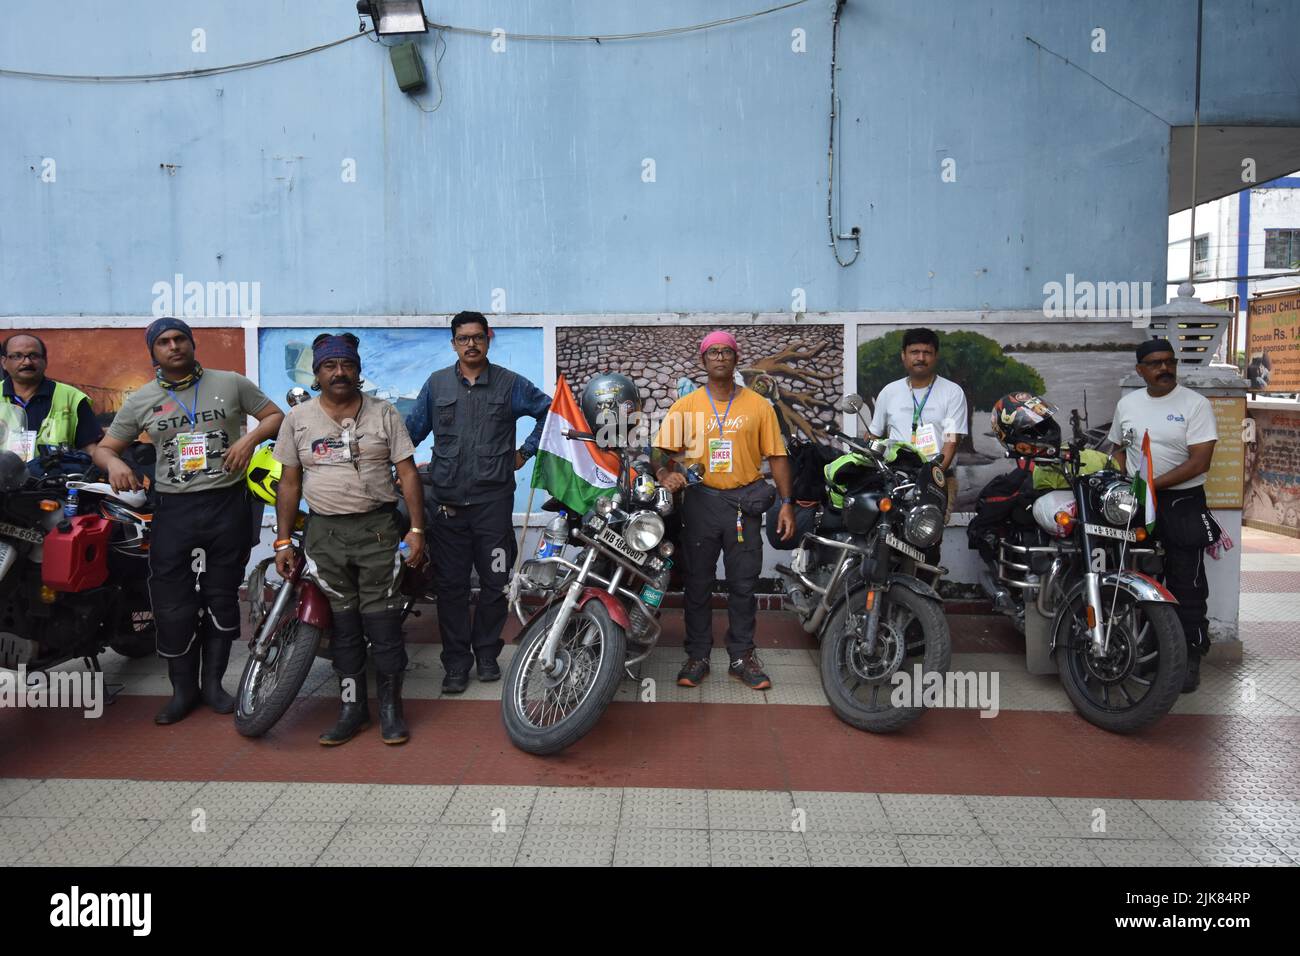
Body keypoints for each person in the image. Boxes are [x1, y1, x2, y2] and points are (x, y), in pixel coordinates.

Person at [94, 318, 284, 724]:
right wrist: (112, 464)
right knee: (173, 604)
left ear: (193, 344)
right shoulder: (142, 399)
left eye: (180, 339)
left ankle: (214, 686)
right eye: (163, 342)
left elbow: (273, 416)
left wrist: (248, 440)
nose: (173, 346)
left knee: (219, 594)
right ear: (154, 352)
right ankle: (183, 691)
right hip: (174, 510)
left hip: (226, 505)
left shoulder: (230, 382)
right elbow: (106, 447)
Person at [273, 334, 425, 746]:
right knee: (344, 629)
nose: (339, 373)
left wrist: (416, 530)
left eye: (347, 365)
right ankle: (352, 710)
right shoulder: (298, 419)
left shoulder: (384, 413)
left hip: (377, 531)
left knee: (384, 626)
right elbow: (289, 482)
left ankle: (392, 711)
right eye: (329, 366)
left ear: (358, 371)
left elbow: (407, 473)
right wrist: (283, 542)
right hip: (325, 534)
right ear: (317, 373)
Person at [404, 311, 551, 694]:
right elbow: (410, 434)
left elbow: (549, 411)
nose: (471, 344)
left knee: (495, 583)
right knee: (451, 588)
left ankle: (486, 653)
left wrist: (525, 452)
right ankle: (455, 663)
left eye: (478, 337)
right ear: (453, 343)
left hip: (493, 507)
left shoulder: (509, 384)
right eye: (463, 338)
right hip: (447, 509)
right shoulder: (437, 386)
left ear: (488, 339)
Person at [652, 330, 795, 690]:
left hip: (744, 504)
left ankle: (741, 657)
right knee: (698, 584)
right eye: (712, 352)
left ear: (735, 359)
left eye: (726, 352)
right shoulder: (686, 406)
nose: (719, 357)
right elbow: (660, 451)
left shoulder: (759, 406)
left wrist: (786, 503)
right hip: (700, 502)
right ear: (703, 361)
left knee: (743, 585)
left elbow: (777, 456)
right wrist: (665, 474)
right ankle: (698, 655)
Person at [1108, 338, 1219, 692]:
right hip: (1138, 505)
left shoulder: (1195, 405)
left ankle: (1189, 659)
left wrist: (1152, 485)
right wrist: (1123, 482)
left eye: (1169, 362)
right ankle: (1150, 650)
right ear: (1140, 370)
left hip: (1182, 503)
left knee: (1187, 585)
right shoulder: (1128, 404)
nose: (1164, 369)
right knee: (1135, 578)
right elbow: (1118, 449)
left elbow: (1200, 461)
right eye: (1155, 364)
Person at [867, 327, 968, 512]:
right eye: (914, 352)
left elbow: (951, 441)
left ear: (936, 356)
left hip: (938, 479)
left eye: (927, 352)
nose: (920, 358)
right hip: (894, 480)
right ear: (903, 356)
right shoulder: (889, 392)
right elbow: (873, 435)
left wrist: (929, 477)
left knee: (927, 536)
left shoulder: (952, 392)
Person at [1, 333, 103, 461]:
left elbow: (91, 449)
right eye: (17, 356)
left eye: (34, 356)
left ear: (45, 361)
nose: (27, 362)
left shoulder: (71, 397)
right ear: (4, 362)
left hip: (53, 477)